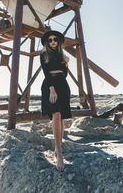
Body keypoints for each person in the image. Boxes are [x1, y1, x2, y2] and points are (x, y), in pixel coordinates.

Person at [40, 30, 71, 171]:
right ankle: (59, 153)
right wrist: (51, 89)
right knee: (56, 114)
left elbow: (64, 74)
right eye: (50, 39)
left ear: (58, 42)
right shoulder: (44, 54)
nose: (53, 41)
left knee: (61, 118)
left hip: (63, 85)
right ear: (47, 42)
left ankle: (57, 148)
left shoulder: (61, 55)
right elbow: (46, 72)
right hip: (50, 85)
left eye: (55, 39)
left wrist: (66, 64)